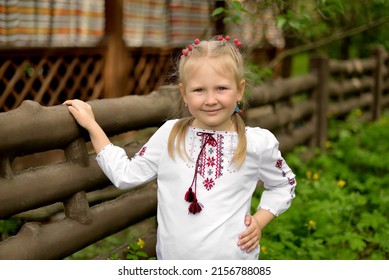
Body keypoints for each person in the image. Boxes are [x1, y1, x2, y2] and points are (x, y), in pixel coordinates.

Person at [64, 35, 296, 260]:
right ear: (184, 93)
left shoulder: (257, 143)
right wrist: (92, 126)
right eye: (199, 90)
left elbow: (284, 185)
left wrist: (260, 220)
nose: (210, 99)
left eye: (221, 88)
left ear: (240, 90)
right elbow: (126, 175)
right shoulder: (170, 135)